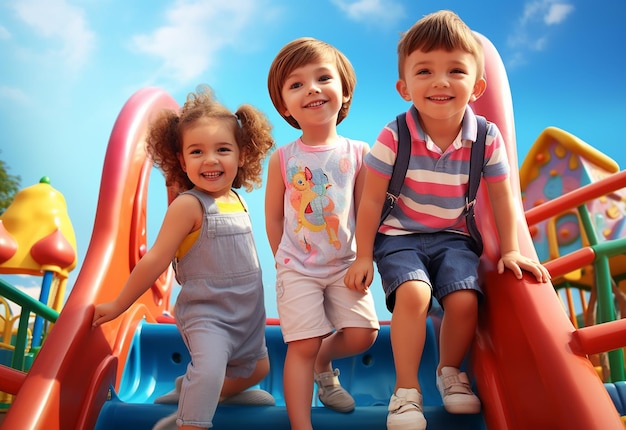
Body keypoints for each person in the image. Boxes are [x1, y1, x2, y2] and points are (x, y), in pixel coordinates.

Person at [343, 10, 551, 430]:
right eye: (425, 71)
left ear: (476, 87)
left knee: (464, 300)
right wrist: (363, 254)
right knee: (416, 295)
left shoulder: (487, 138)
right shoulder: (393, 135)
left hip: (453, 237)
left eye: (455, 70)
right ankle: (405, 392)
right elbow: (370, 201)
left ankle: (450, 372)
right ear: (404, 88)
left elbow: (504, 197)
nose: (440, 81)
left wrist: (510, 248)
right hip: (398, 235)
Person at [92, 85, 276, 430]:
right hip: (209, 313)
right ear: (181, 160)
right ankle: (188, 421)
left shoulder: (238, 199)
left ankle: (206, 391)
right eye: (197, 151)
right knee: (208, 369)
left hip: (248, 312)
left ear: (242, 155)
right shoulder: (188, 205)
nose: (210, 160)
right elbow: (155, 260)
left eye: (223, 149)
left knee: (260, 370)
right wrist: (119, 305)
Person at [265, 37, 380, 430]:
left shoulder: (359, 153)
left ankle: (323, 363)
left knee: (364, 334)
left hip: (345, 263)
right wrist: (283, 259)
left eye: (322, 78)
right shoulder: (282, 158)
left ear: (344, 91)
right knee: (302, 343)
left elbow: (367, 211)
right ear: (285, 106)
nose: (311, 88)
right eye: (296, 85)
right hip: (297, 267)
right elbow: (275, 218)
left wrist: (366, 256)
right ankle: (302, 424)